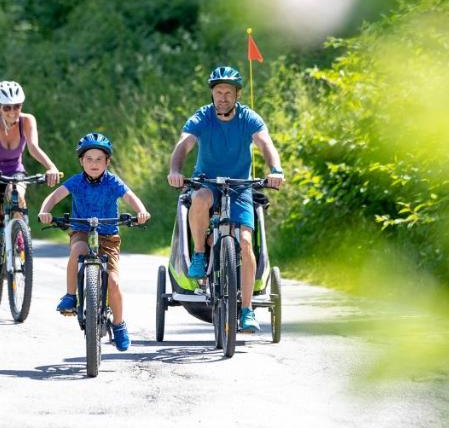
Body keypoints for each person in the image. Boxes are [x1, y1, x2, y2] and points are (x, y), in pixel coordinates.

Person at [167, 65, 284, 334]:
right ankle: (199, 254)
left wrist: (275, 170)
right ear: (212, 94)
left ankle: (246, 310)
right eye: (218, 92)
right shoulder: (203, 117)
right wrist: (175, 170)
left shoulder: (249, 117)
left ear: (237, 95)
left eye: (228, 92)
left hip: (240, 186)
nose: (223, 97)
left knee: (244, 242)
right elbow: (184, 143)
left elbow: (265, 143)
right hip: (207, 181)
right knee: (198, 200)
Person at [38, 132, 150, 352]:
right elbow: (54, 196)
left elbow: (130, 197)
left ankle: (118, 324)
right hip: (81, 230)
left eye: (99, 159)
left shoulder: (113, 181)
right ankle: (71, 295)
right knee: (78, 249)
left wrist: (141, 211)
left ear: (107, 161)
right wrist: (45, 211)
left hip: (108, 236)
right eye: (89, 159)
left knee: (114, 282)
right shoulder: (76, 182)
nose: (94, 163)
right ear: (81, 161)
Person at [0, 80, 61, 301]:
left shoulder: (27, 121)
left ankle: (19, 232)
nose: (13, 112)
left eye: (17, 106)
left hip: (15, 173)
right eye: (7, 107)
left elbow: (33, 147)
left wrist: (50, 167)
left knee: (17, 192)